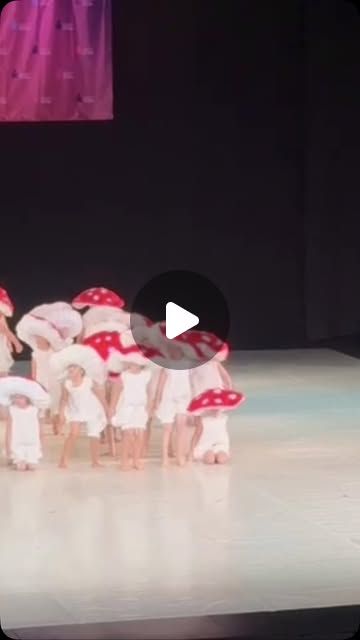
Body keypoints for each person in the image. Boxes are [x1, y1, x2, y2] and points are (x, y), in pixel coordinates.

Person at [50, 344, 108, 469]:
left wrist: (107, 409)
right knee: (73, 433)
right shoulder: (67, 384)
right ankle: (63, 460)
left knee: (94, 434)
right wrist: (61, 413)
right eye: (69, 367)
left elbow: (100, 396)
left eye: (74, 367)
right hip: (76, 410)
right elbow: (64, 399)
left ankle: (95, 461)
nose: (71, 369)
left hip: (92, 409)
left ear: (81, 370)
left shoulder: (89, 381)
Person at [108, 355, 156, 470]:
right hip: (127, 407)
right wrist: (112, 408)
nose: (134, 364)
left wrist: (150, 406)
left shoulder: (146, 375)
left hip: (140, 408)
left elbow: (149, 392)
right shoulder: (123, 376)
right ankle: (124, 460)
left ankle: (136, 460)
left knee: (139, 434)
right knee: (127, 434)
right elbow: (116, 392)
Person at [0, 377, 50, 471]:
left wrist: (41, 442)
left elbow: (40, 427)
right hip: (17, 442)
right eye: (16, 398)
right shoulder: (12, 410)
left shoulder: (34, 410)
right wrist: (8, 446)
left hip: (32, 441)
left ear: (28, 398)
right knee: (21, 467)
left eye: (21, 397)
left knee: (32, 467)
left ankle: (27, 459)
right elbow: (9, 429)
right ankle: (16, 460)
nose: (18, 400)